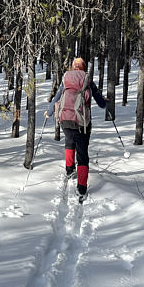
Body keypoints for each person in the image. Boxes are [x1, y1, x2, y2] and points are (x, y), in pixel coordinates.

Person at [45, 57, 111, 201]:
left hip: (65, 120)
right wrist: (105, 102)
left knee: (69, 143)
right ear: (84, 68)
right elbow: (101, 104)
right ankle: (81, 189)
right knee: (82, 154)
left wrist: (49, 112)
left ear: (73, 67)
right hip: (82, 124)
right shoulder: (87, 81)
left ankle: (69, 170)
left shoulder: (66, 80)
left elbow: (57, 98)